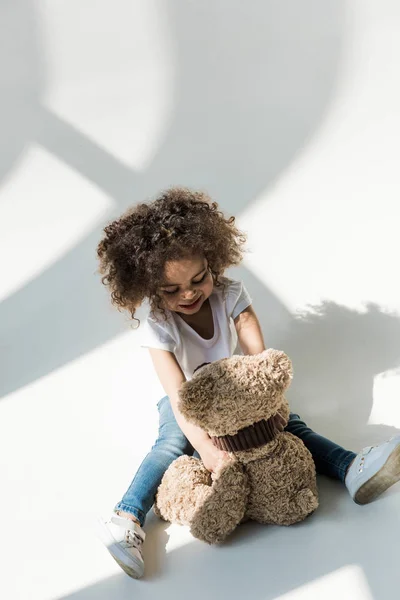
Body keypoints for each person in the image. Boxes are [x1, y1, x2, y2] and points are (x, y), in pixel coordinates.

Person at [96, 187, 400, 579]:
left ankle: (351, 468)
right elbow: (176, 396)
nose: (188, 294)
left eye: (198, 279)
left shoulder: (229, 294)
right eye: (171, 290)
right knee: (171, 444)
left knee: (291, 427)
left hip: (238, 394)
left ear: (213, 262)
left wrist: (263, 389)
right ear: (149, 288)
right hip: (189, 406)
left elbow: (253, 343)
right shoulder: (159, 326)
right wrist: (205, 447)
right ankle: (126, 518)